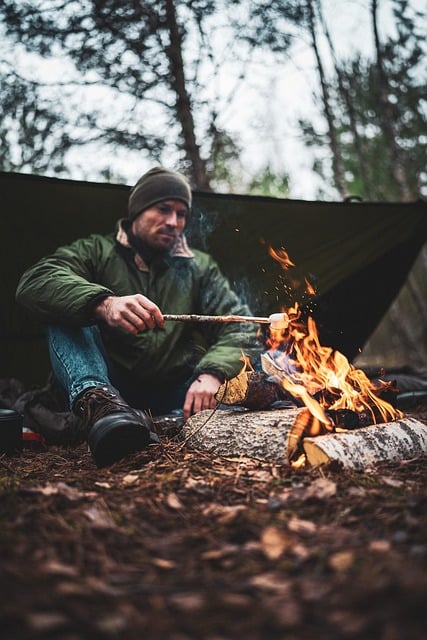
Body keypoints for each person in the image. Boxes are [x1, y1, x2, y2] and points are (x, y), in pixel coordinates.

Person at [16, 167, 259, 467]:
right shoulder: (96, 251)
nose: (173, 222)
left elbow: (241, 326)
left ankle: (160, 420)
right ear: (138, 210)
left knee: (263, 366)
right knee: (64, 308)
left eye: (181, 214)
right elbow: (36, 282)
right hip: (110, 382)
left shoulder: (198, 267)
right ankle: (101, 408)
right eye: (163, 209)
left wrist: (213, 373)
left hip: (173, 390)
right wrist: (104, 304)